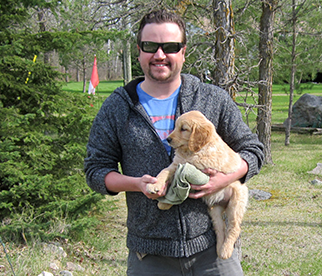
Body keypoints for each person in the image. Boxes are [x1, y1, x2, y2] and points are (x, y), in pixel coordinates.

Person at [85, 10, 264, 276]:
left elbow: (254, 151)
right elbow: (95, 171)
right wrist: (136, 184)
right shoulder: (118, 107)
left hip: (213, 250)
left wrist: (224, 179)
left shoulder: (212, 99)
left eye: (169, 47)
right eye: (150, 46)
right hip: (149, 255)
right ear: (139, 51)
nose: (159, 55)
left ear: (183, 51)